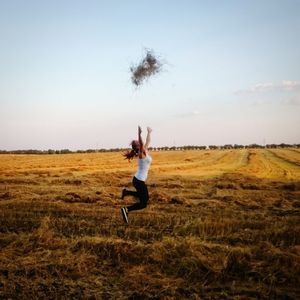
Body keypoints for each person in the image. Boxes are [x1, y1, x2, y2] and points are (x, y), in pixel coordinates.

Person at [121, 126, 152, 223]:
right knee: (143, 203)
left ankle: (126, 192)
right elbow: (143, 143)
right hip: (138, 181)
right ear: (138, 146)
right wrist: (139, 134)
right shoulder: (141, 154)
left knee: (144, 197)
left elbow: (147, 142)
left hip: (138, 180)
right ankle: (126, 210)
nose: (140, 143)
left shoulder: (144, 151)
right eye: (138, 142)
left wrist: (149, 132)